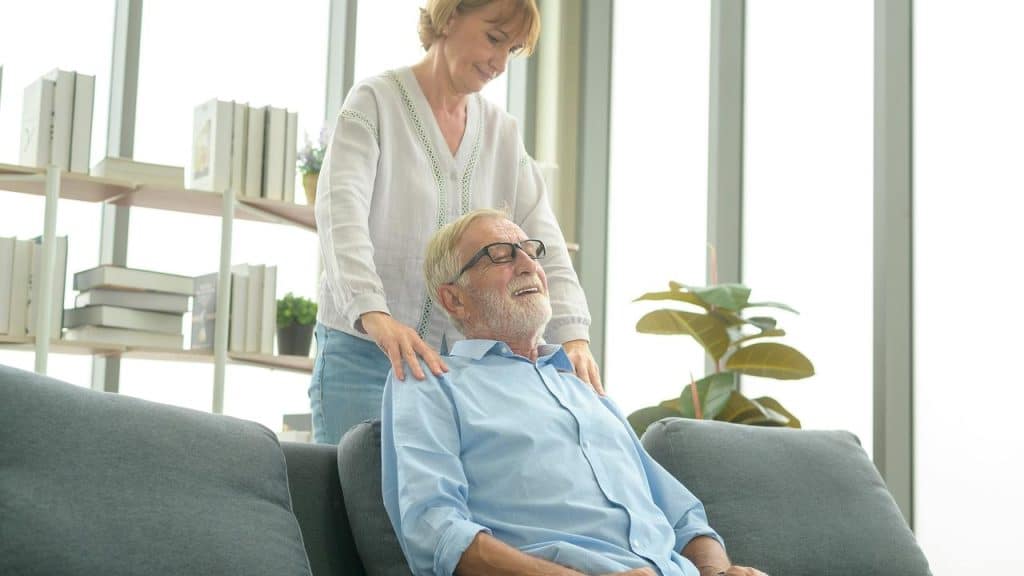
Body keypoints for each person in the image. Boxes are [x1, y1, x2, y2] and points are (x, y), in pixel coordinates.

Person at [381, 209, 769, 576]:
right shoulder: (432, 383)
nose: (528, 265)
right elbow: (435, 530)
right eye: (499, 255)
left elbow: (685, 519)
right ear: (454, 299)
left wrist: (719, 571)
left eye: (530, 251)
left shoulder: (584, 389)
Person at [310, 0, 600, 445]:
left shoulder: (503, 133)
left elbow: (546, 244)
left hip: (461, 371)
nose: (500, 63)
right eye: (494, 39)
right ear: (449, 16)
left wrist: (575, 337)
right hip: (364, 356)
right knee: (356, 487)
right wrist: (376, 315)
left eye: (512, 49)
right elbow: (340, 215)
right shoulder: (375, 103)